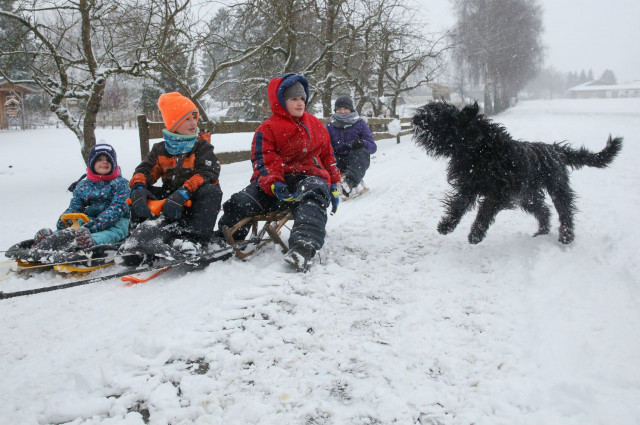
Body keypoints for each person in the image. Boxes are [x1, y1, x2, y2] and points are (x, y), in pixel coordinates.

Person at [216, 73, 341, 271]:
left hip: (309, 178)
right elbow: (263, 159)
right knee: (242, 201)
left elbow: (328, 156)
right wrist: (274, 182)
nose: (300, 103)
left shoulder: (316, 125)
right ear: (281, 101)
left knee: (313, 197)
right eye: (293, 99)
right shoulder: (268, 128)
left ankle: (303, 245)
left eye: (302, 98)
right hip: (275, 184)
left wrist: (333, 184)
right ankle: (223, 240)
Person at [128, 92, 222, 245]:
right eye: (187, 119)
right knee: (138, 192)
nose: (193, 123)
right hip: (171, 198)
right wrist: (138, 187)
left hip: (194, 199)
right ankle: (138, 235)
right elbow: (144, 170)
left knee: (211, 191)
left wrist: (184, 192)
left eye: (194, 117)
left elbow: (208, 173)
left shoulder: (202, 147)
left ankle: (195, 240)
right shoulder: (160, 149)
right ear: (174, 124)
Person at [31, 143, 130, 252]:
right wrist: (66, 219)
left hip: (116, 220)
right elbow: (75, 206)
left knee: (114, 232)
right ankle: (49, 240)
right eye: (100, 159)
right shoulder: (84, 185)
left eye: (108, 160)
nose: (104, 162)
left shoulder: (121, 183)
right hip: (89, 220)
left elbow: (118, 207)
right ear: (92, 163)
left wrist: (100, 222)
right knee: (74, 227)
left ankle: (91, 242)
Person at [326, 95, 377, 197]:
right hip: (338, 160)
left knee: (361, 152)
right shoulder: (330, 126)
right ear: (335, 110)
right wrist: (334, 164)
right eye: (339, 109)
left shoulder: (360, 124)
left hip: (355, 160)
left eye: (345, 109)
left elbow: (373, 147)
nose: (342, 112)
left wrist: (362, 143)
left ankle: (349, 183)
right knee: (324, 154)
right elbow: (327, 147)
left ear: (351, 109)